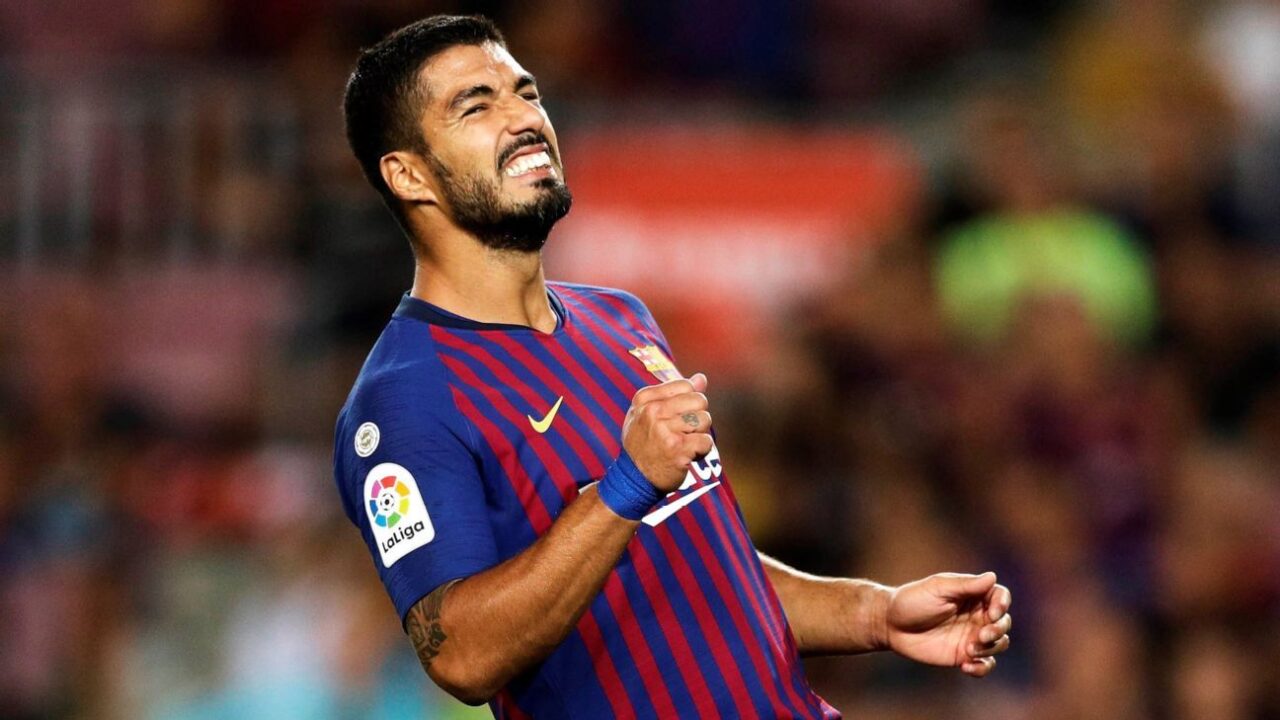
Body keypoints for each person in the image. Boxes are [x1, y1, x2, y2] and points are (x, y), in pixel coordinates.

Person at [334, 14, 1012, 719]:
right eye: (476, 106)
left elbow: (704, 568)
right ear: (408, 174)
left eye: (526, 93)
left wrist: (875, 612)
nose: (525, 118)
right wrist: (626, 485)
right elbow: (462, 656)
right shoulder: (404, 401)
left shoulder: (620, 318)